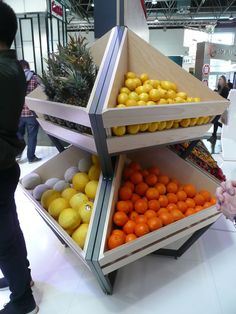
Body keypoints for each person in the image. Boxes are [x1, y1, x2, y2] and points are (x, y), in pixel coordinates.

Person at [0, 2, 38, 314]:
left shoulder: (3, 71)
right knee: (8, 228)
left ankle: (23, 300)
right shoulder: (9, 67)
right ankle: (20, 277)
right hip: (4, 163)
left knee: (4, 235)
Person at [18, 60, 41, 163]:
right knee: (32, 136)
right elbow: (43, 92)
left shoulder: (15, 79)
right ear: (27, 66)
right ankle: (31, 158)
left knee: (18, 134)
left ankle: (17, 154)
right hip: (32, 113)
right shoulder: (35, 78)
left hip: (19, 114)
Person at [208, 75, 229, 143]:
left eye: (220, 79)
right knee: (215, 122)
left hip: (222, 108)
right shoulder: (220, 88)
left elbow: (224, 98)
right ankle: (214, 136)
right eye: (219, 79)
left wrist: (217, 94)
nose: (219, 80)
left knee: (215, 121)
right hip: (218, 108)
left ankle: (225, 130)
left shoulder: (225, 89)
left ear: (224, 80)